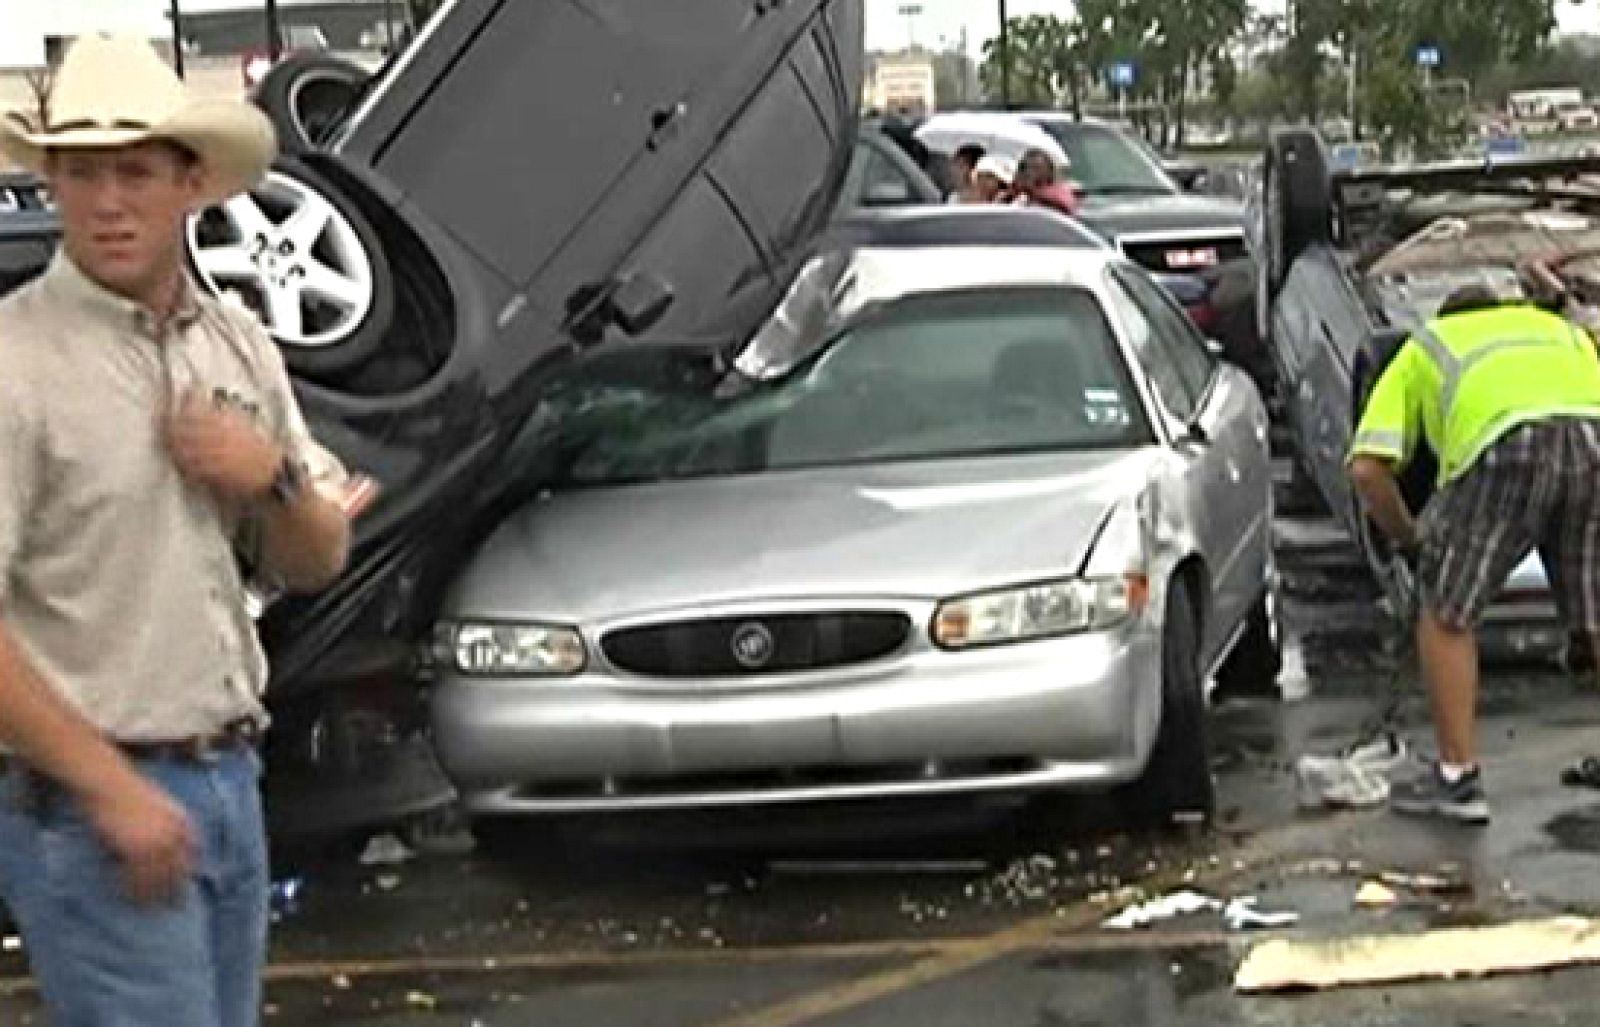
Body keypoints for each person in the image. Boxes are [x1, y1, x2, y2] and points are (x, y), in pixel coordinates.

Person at [0, 34, 352, 1025]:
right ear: (52, 183)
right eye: (80, 174)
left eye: (133, 173)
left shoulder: (235, 340)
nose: (107, 202)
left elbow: (317, 555)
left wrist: (268, 478)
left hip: (227, 777)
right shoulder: (17, 365)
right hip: (90, 808)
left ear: (189, 182)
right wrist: (111, 790)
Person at [1347, 282, 1600, 824]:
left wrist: (1410, 538)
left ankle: (1457, 780)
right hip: (1594, 436)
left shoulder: (1429, 345)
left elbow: (1368, 469)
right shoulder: (1564, 333)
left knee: (1446, 614)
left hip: (1507, 443)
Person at [1012, 147, 1081, 216]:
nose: (1030, 172)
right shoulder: (1021, 193)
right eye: (1026, 167)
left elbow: (1064, 211)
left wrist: (1032, 192)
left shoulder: (1057, 192)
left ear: (1049, 170)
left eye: (1036, 167)